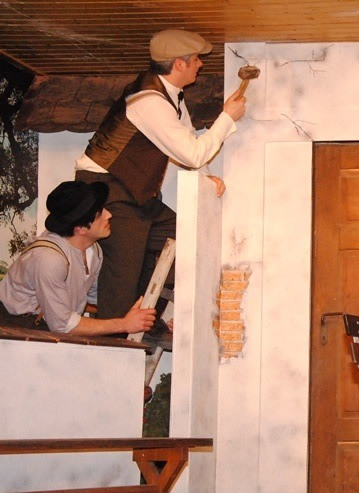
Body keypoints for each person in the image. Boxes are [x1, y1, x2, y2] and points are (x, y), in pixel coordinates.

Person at [74, 29, 246, 321]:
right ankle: (114, 336)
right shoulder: (149, 102)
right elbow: (192, 153)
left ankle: (145, 319)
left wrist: (205, 176)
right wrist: (227, 117)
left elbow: (187, 143)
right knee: (123, 272)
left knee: (185, 237)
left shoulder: (171, 97)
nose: (200, 64)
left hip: (135, 194)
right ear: (179, 64)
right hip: (107, 190)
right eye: (196, 59)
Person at [0, 181, 156, 335]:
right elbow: (63, 325)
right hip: (15, 328)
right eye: (99, 213)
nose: (109, 215)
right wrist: (124, 324)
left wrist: (137, 313)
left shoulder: (93, 250)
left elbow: (97, 297)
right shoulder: (49, 259)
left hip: (47, 326)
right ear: (80, 228)